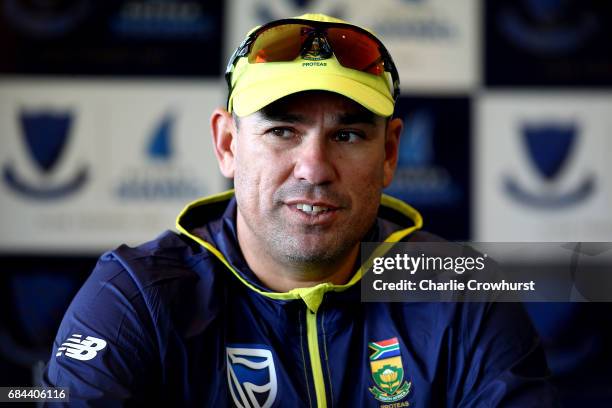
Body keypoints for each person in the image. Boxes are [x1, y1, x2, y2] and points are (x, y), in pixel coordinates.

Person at [42, 13, 558, 407]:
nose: (314, 167)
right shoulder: (137, 297)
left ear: (389, 154)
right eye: (282, 131)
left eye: (348, 134)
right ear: (227, 144)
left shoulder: (463, 295)